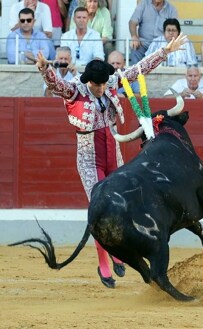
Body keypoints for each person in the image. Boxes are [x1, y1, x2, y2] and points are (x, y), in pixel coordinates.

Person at [36, 32, 187, 288]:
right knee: (100, 211)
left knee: (120, 207)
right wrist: (45, 70)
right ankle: (105, 263)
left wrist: (165, 52)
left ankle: (117, 254)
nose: (103, 88)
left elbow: (138, 70)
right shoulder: (75, 91)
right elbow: (55, 85)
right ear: (89, 82)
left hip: (112, 152)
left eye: (105, 84)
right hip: (88, 158)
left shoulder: (109, 81)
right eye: (99, 85)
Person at [129, 0, 177, 65]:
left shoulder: (171, 9)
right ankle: (136, 74)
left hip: (160, 44)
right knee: (135, 49)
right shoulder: (144, 4)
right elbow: (132, 22)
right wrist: (134, 36)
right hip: (143, 43)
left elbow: (174, 29)